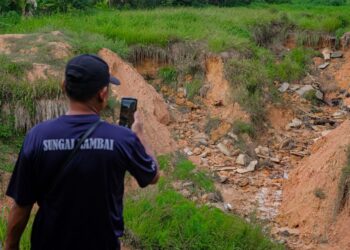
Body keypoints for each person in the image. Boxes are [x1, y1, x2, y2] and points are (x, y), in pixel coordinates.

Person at [5, 54, 159, 250]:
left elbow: (22, 205)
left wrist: (10, 246)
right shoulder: (122, 139)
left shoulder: (37, 137)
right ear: (102, 94)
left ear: (63, 86)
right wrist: (140, 135)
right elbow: (152, 175)